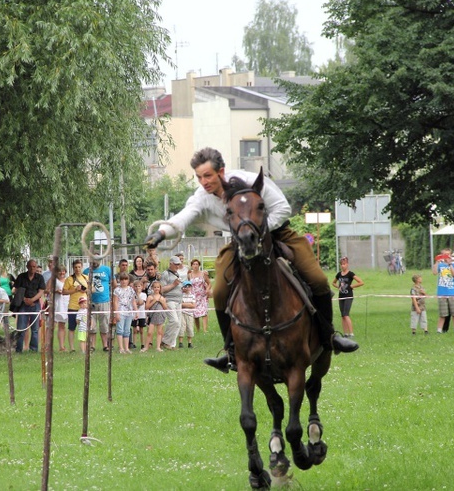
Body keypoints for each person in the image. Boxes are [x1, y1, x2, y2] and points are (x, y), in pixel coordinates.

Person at [145, 148, 358, 374]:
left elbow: (283, 208)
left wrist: (259, 231)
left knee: (317, 279)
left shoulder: (251, 181)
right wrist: (160, 235)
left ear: (221, 171)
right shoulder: (202, 198)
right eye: (199, 176)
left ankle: (330, 336)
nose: (203, 181)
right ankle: (230, 352)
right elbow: (182, 218)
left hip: (278, 232)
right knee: (218, 291)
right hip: (240, 242)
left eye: (208, 175)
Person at [13, 260, 46, 353]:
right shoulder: (21, 277)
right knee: (21, 328)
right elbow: (16, 290)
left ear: (36, 267)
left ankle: (34, 349)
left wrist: (32, 300)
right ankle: (18, 349)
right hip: (23, 304)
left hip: (35, 304)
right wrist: (24, 299)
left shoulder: (40, 277)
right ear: (27, 267)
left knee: (35, 329)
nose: (32, 268)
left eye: (34, 267)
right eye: (30, 266)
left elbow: (41, 291)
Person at [83, 259, 113, 352]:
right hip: (91, 301)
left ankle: (105, 345)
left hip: (104, 301)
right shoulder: (86, 271)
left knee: (104, 324)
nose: (94, 261)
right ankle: (92, 346)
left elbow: (113, 283)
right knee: (92, 325)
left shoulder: (107, 270)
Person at [332, 257, 364, 337]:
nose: (342, 266)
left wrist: (352, 286)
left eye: (344, 264)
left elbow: (361, 282)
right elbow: (333, 283)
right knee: (343, 315)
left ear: (347, 264)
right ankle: (345, 333)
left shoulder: (350, 274)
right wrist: (337, 287)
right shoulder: (339, 274)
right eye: (341, 264)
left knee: (346, 314)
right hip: (341, 296)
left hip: (348, 296)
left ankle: (351, 333)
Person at [63, 261, 88, 354]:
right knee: (72, 328)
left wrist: (85, 289)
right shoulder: (69, 279)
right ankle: (72, 348)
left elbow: (92, 289)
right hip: (73, 306)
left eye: (79, 267)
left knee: (85, 328)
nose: (77, 269)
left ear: (81, 267)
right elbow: (64, 291)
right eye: (75, 267)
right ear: (73, 268)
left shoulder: (86, 277)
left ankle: (85, 347)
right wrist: (75, 290)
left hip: (84, 308)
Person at [159, 255, 184, 350]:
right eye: (176, 264)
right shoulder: (165, 274)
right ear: (171, 264)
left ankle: (172, 344)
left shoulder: (177, 274)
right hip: (170, 300)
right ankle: (165, 341)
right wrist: (174, 284)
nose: (177, 266)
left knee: (178, 324)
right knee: (174, 321)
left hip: (179, 301)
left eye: (179, 264)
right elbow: (162, 289)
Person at [433, 250, 454, 333]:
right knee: (443, 313)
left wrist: (450, 264)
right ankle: (439, 330)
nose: (447, 256)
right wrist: (437, 262)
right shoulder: (440, 265)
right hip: (442, 292)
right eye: (445, 254)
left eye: (448, 254)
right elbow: (434, 272)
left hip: (452, 292)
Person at [113, 272, 137, 354]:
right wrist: (116, 313)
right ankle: (121, 348)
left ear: (128, 280)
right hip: (120, 311)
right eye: (122, 279)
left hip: (129, 312)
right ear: (119, 280)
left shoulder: (131, 290)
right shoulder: (117, 290)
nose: (124, 281)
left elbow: (133, 301)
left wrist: (136, 311)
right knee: (120, 330)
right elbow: (115, 302)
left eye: (125, 279)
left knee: (127, 330)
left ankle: (126, 348)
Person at [143, 281, 167, 352]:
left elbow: (165, 307)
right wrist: (153, 301)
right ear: (152, 288)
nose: (156, 289)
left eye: (158, 287)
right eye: (155, 287)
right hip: (152, 316)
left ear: (160, 288)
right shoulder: (150, 297)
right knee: (150, 332)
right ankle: (146, 347)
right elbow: (146, 307)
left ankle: (158, 347)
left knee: (159, 332)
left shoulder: (162, 297)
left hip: (160, 315)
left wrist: (162, 302)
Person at [188, 258, 211, 333]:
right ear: (191, 265)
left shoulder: (203, 274)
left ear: (199, 265)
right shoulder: (189, 275)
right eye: (194, 264)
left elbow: (209, 283)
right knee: (195, 314)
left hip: (203, 296)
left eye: (197, 264)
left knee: (204, 312)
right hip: (194, 296)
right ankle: (198, 330)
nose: (195, 266)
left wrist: (207, 289)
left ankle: (205, 330)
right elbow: (187, 284)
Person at [53, 266, 69, 352]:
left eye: (63, 271)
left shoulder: (68, 280)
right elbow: (47, 290)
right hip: (56, 304)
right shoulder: (53, 280)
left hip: (65, 304)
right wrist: (56, 291)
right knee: (52, 325)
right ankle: (48, 346)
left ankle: (62, 346)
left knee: (62, 325)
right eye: (60, 271)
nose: (62, 273)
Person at [177, 280, 196, 348]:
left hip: (190, 314)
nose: (187, 288)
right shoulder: (181, 295)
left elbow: (193, 305)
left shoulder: (192, 296)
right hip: (182, 313)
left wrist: (185, 304)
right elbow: (180, 304)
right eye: (186, 286)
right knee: (182, 327)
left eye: (189, 286)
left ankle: (190, 343)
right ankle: (180, 342)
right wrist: (189, 304)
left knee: (190, 328)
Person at [131, 280, 147, 350]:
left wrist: (137, 295)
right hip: (134, 314)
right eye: (136, 286)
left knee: (141, 330)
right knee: (134, 330)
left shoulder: (143, 295)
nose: (137, 288)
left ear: (142, 287)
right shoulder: (132, 295)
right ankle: (134, 343)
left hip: (141, 314)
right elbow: (133, 303)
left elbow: (140, 302)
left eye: (139, 286)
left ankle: (142, 344)